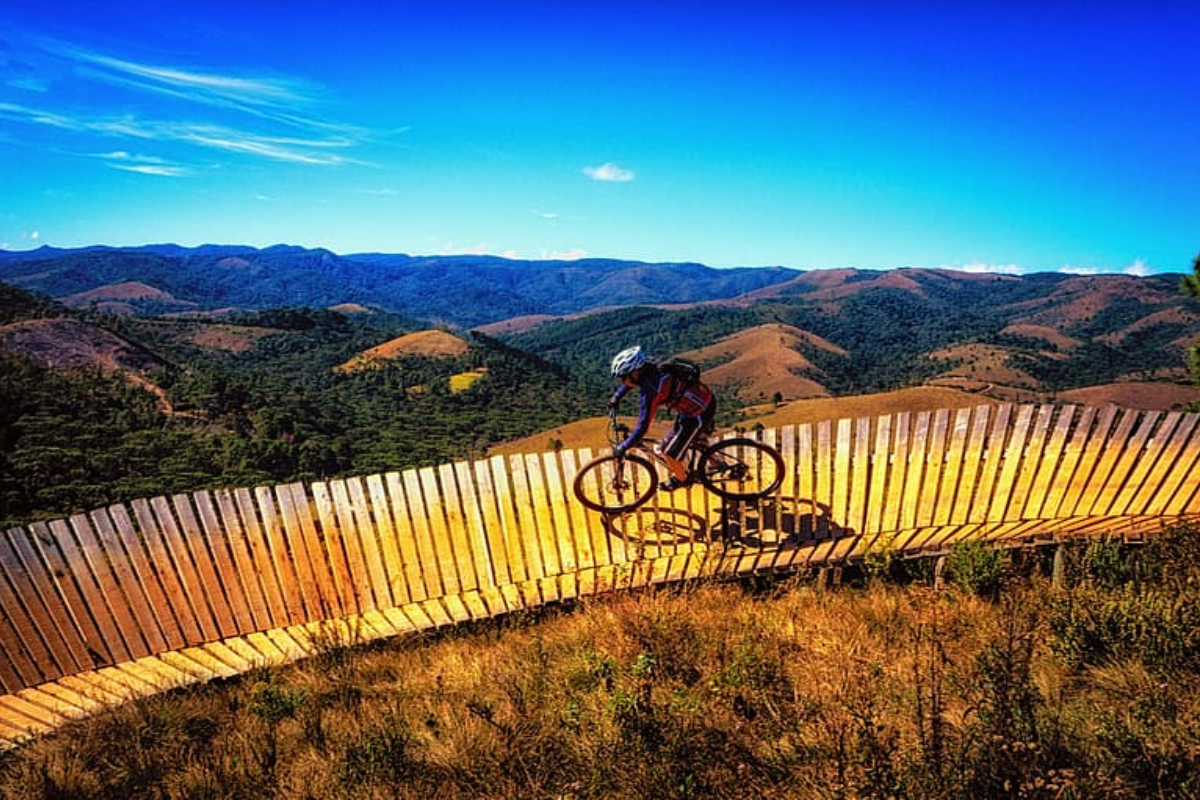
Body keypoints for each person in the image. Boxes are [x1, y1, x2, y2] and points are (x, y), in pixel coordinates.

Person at [607, 345, 716, 490]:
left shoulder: (652, 389)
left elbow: (642, 427)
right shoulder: (649, 366)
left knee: (668, 453)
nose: (623, 381)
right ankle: (720, 464)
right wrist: (616, 398)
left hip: (698, 413)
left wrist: (623, 447)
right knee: (684, 443)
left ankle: (682, 480)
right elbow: (631, 383)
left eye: (623, 377)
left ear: (635, 372)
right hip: (701, 401)